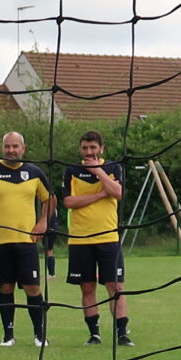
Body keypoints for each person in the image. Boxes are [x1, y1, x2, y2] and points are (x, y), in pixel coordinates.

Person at [0, 131, 53, 347]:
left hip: (27, 242)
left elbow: (50, 198)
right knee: (6, 288)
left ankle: (40, 335)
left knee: (33, 288)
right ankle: (8, 336)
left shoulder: (34, 173)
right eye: (7, 146)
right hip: (0, 242)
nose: (11, 150)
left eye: (15, 146)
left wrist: (43, 221)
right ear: (2, 148)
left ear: (23, 148)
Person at [62, 130, 131, 347]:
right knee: (87, 287)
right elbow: (69, 202)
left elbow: (118, 193)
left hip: (108, 236)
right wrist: (101, 194)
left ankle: (122, 334)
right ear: (80, 149)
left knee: (115, 286)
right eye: (85, 148)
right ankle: (94, 334)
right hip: (80, 239)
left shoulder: (113, 168)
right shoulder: (72, 171)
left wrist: (98, 172)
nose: (89, 152)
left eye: (93, 148)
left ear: (101, 149)